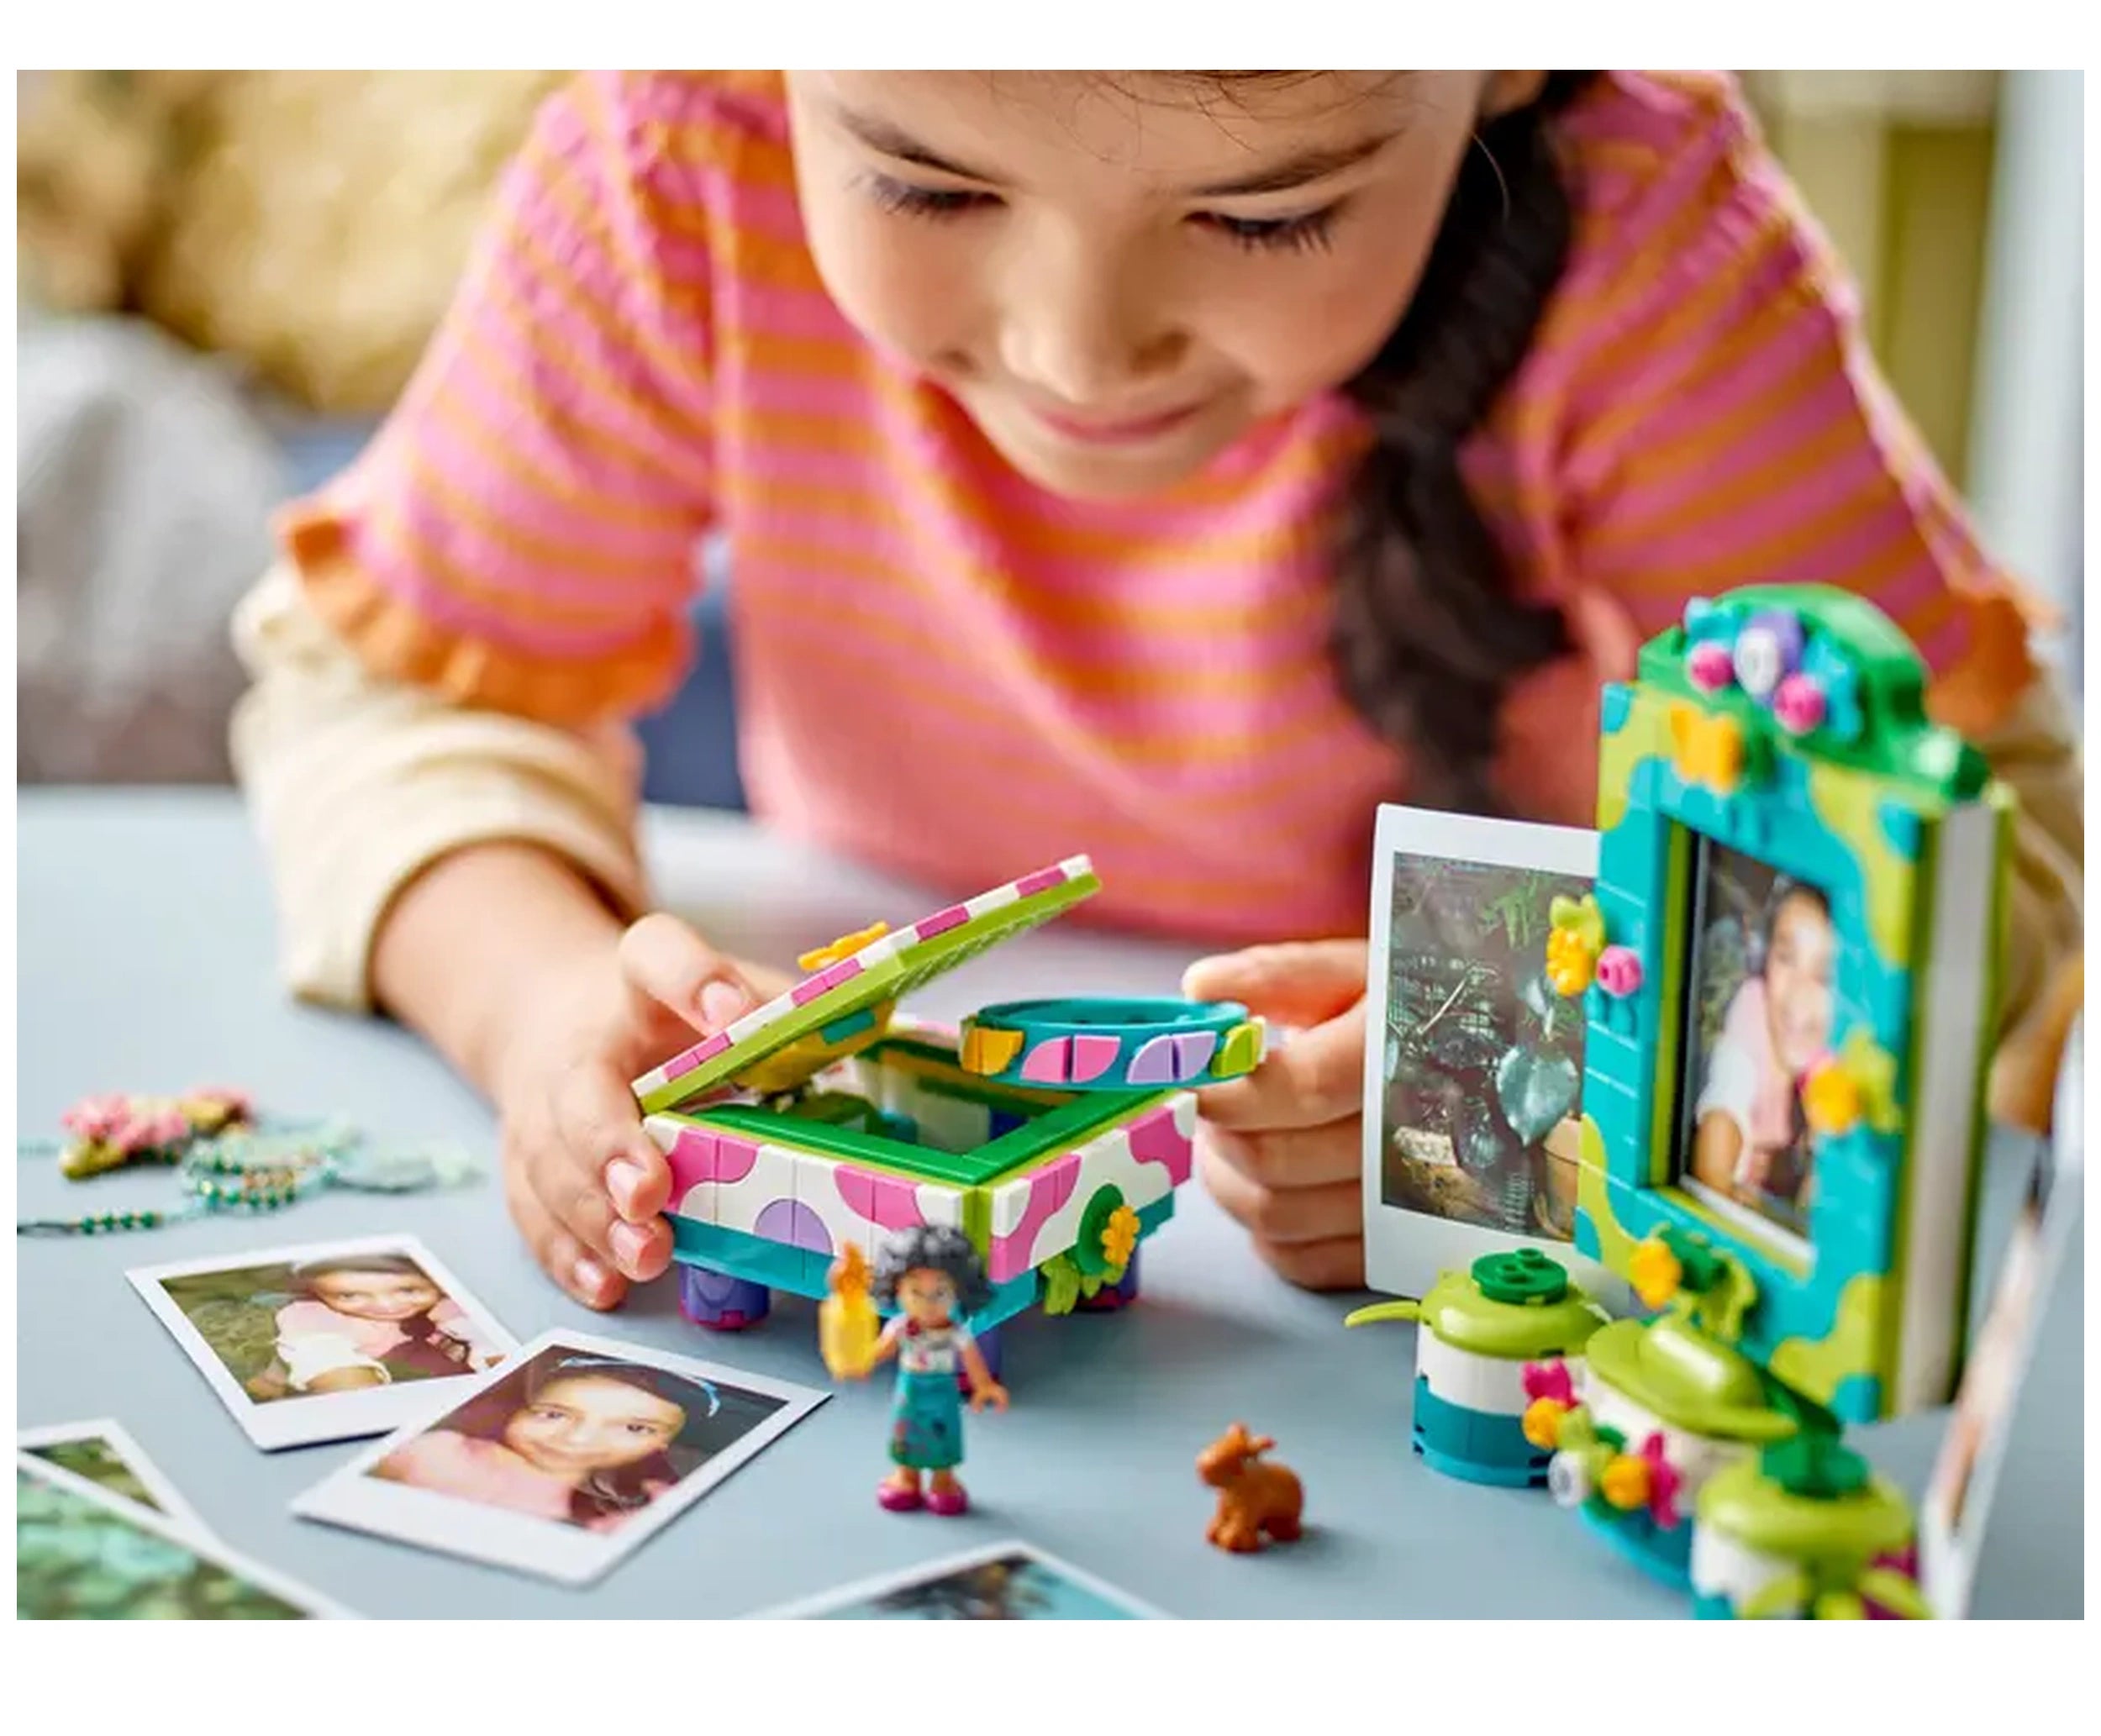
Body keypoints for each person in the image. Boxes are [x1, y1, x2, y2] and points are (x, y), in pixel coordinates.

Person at [229, 71, 2084, 1310]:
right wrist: (539, 1000)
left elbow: (1992, 872)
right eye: (924, 180)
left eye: (1267, 216)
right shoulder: (680, 156)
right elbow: (384, 702)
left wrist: (1536, 1093)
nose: (1078, 352)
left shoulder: (1650, 251)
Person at [374, 1353, 695, 1529]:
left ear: (663, 1444)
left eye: (634, 1428)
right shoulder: (442, 1454)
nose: (577, 1438)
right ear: (519, 1409)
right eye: (554, 1414)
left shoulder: (627, 1515)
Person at [837, 1225, 1008, 1517]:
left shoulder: (956, 1333)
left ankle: (943, 1481)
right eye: (916, 1292)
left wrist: (984, 1386)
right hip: (911, 1391)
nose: (928, 1303)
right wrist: (860, 1362)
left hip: (942, 1390)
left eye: (940, 1292)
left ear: (959, 1291)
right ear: (897, 1289)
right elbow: (882, 1350)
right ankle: (907, 1477)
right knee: (907, 1431)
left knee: (944, 1432)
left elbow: (972, 1359)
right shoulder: (901, 1328)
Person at [1689, 881, 1835, 1221]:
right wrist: (1721, 1182)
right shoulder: (1755, 1008)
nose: (1798, 990)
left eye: (1825, 975)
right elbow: (1724, 1110)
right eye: (1786, 958)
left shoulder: (1845, 1059)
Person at [250, 1252, 503, 1400]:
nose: (386, 1306)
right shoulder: (312, 1317)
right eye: (349, 1295)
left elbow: (492, 1346)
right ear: (315, 1291)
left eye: (408, 1290)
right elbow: (328, 1363)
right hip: (323, 1360)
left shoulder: (452, 1303)